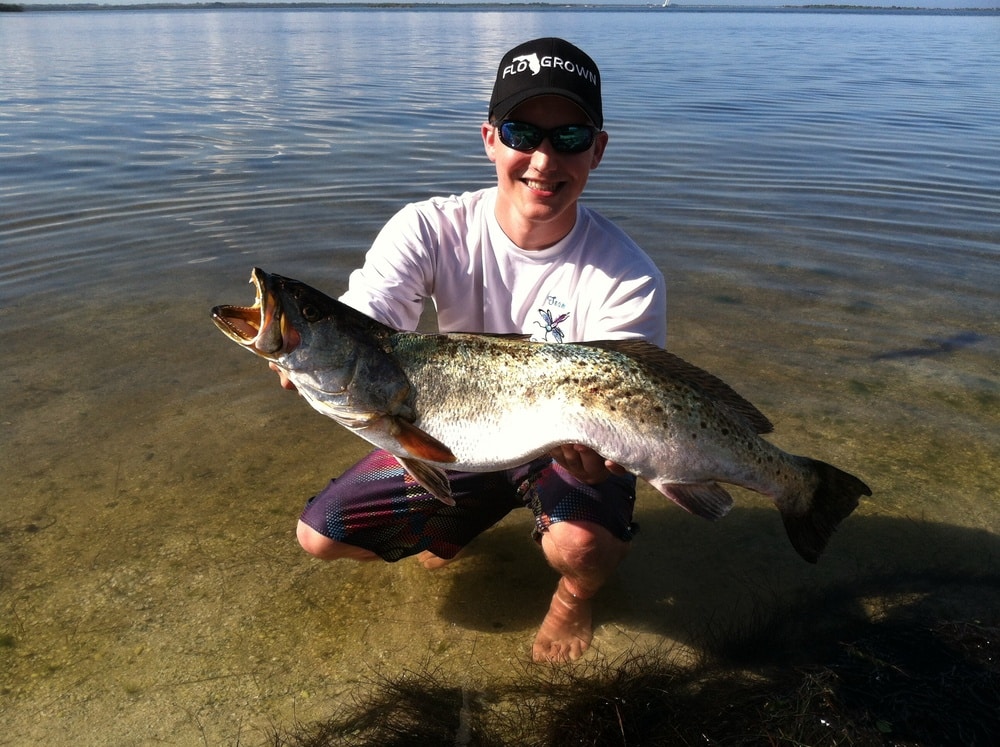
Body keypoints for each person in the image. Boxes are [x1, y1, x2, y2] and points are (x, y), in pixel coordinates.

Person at [274, 37, 666, 663]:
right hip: (454, 434)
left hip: (561, 449)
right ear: (489, 138)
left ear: (597, 149)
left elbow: (637, 391)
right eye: (521, 132)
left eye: (568, 137)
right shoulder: (426, 228)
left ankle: (573, 598)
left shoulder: (628, 275)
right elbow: (368, 324)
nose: (542, 158)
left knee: (581, 547)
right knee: (320, 536)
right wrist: (307, 349)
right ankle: (464, 517)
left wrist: (614, 458)